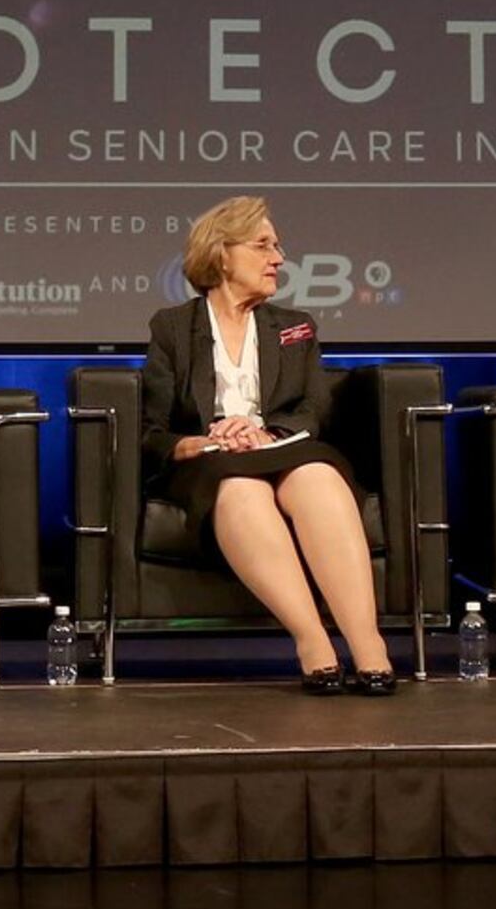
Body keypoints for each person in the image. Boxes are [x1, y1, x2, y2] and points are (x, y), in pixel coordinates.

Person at [137, 196, 394, 693]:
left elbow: (314, 409)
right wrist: (194, 442)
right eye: (263, 246)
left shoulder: (295, 327)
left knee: (319, 477)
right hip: (213, 462)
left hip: (284, 446)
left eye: (278, 246)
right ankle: (313, 642)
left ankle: (369, 647)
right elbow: (152, 428)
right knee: (241, 487)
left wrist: (266, 432)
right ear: (222, 253)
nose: (278, 258)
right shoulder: (171, 328)